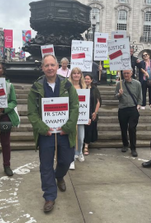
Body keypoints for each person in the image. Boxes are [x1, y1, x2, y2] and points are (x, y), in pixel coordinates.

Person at [27, 54, 79, 213]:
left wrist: (68, 127)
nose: (50, 68)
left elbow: (75, 107)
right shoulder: (36, 88)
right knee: (46, 165)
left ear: (57, 67)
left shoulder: (67, 85)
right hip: (46, 133)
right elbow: (32, 112)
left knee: (67, 159)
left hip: (64, 132)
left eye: (52, 65)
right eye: (46, 65)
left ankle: (59, 175)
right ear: (42, 68)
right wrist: (42, 128)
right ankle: (49, 196)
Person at [115, 69, 142, 157]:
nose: (126, 75)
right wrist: (119, 94)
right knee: (123, 128)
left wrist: (138, 105)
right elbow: (116, 96)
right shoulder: (119, 84)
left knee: (132, 128)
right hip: (123, 109)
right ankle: (125, 144)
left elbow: (140, 96)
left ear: (131, 73)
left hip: (133, 108)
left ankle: (133, 148)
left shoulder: (137, 83)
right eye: (124, 73)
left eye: (128, 73)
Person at [69, 67, 87, 169]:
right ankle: (71, 158)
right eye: (74, 73)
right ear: (71, 75)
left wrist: (87, 116)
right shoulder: (68, 87)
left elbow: (88, 103)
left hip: (81, 116)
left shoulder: (84, 87)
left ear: (80, 75)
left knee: (80, 137)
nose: (76, 75)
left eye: (78, 73)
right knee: (71, 138)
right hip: (71, 117)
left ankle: (79, 152)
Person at [83, 73, 101, 155]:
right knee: (83, 129)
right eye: (85, 79)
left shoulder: (95, 89)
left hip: (92, 111)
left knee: (89, 129)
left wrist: (95, 112)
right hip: (83, 112)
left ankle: (86, 146)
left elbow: (98, 101)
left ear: (91, 80)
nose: (86, 80)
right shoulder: (81, 88)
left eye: (88, 79)